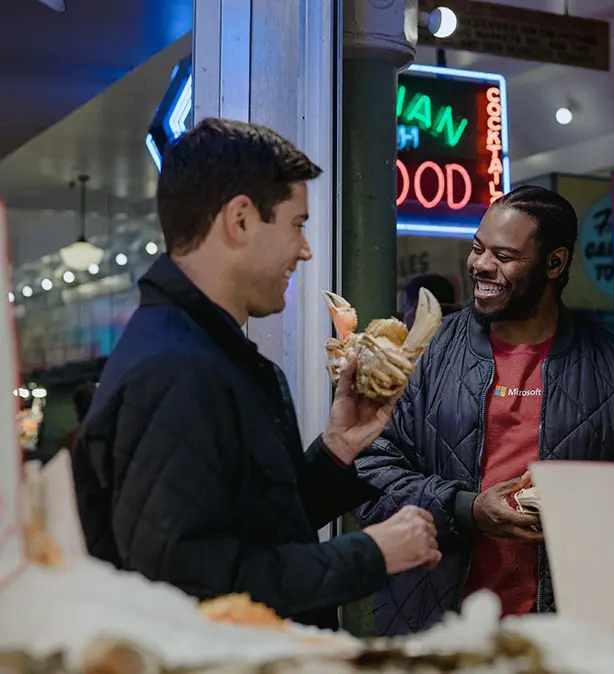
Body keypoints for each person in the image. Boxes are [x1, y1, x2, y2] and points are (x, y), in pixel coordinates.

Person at [72, 118, 441, 630]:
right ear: (241, 220)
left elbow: (250, 528)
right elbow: (188, 583)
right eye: (296, 224)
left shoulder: (205, 351)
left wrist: (335, 451)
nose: (305, 249)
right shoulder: (177, 368)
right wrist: (371, 554)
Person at [355, 185, 614, 636]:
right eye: (477, 249)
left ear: (555, 263)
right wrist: (467, 508)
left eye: (504, 256)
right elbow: (368, 475)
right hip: (435, 627)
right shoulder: (425, 352)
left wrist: (589, 510)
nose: (481, 265)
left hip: (568, 637)